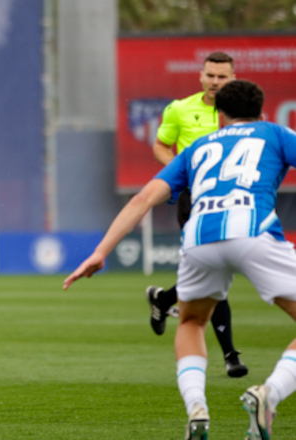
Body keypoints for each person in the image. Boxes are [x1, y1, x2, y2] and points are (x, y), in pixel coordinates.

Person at [64, 80, 296, 439]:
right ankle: (270, 394)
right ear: (262, 113)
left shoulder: (198, 148)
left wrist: (101, 251)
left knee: (190, 322)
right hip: (254, 230)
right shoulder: (277, 133)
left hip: (199, 237)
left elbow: (143, 199)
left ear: (220, 116)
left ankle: (197, 409)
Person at [146, 52, 247, 378]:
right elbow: (161, 145)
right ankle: (230, 354)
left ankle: (164, 299)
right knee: (216, 269)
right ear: (201, 76)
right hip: (195, 200)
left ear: (233, 78)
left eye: (222, 76)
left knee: (212, 270)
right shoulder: (179, 109)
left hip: (235, 200)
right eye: (210, 75)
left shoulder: (245, 112)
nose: (215, 82)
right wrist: (182, 170)